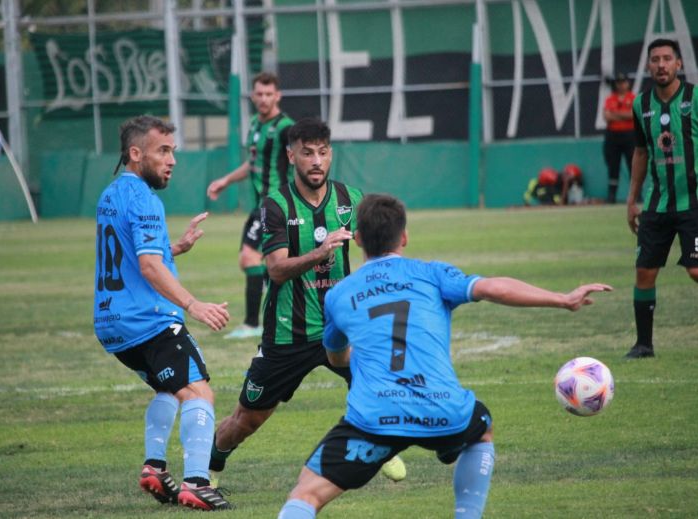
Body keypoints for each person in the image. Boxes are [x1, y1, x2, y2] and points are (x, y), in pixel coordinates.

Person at [277, 193, 612, 519]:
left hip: (374, 419)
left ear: (359, 239)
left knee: (305, 494)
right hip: (442, 410)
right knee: (481, 428)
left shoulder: (339, 294)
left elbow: (335, 356)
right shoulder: (432, 274)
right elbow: (493, 287)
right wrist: (561, 299)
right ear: (404, 236)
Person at [209, 118, 405, 483]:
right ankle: (212, 463)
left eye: (323, 152)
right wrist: (321, 251)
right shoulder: (275, 205)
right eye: (307, 153)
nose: (317, 161)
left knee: (379, 384)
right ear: (291, 155)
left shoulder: (352, 199)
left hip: (342, 328)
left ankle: (379, 448)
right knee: (246, 420)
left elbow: (375, 251)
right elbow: (277, 270)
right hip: (288, 333)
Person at [94, 115, 232, 510]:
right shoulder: (145, 199)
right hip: (148, 320)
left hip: (111, 323)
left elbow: (132, 257)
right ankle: (196, 483)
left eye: (173, 151)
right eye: (163, 151)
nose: (172, 160)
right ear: (136, 154)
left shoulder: (111, 194)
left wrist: (175, 249)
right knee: (199, 392)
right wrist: (194, 304)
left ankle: (155, 468)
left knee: (169, 390)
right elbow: (149, 267)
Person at [207, 72, 294, 340]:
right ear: (253, 96)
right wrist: (226, 180)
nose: (264, 99)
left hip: (276, 203)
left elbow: (299, 161)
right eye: (259, 94)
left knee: (249, 257)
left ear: (277, 96)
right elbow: (254, 164)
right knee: (271, 263)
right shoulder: (255, 124)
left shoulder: (286, 128)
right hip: (260, 204)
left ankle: (252, 323)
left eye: (269, 94)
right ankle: (280, 316)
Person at [625, 38, 698, 359]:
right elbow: (641, 151)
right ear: (648, 66)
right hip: (657, 204)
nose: (661, 65)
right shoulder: (640, 105)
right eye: (655, 59)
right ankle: (644, 344)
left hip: (693, 203)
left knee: (696, 271)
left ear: (679, 64)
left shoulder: (695, 98)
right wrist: (632, 199)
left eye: (667, 58)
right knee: (644, 272)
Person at [603, 73, 637, 203]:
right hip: (613, 136)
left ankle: (636, 195)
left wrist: (616, 114)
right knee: (613, 166)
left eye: (623, 82)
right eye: (618, 82)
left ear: (628, 83)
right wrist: (624, 114)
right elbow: (607, 117)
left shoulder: (633, 97)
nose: (621, 85)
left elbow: (633, 115)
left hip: (630, 135)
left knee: (633, 165)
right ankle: (612, 196)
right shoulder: (610, 99)